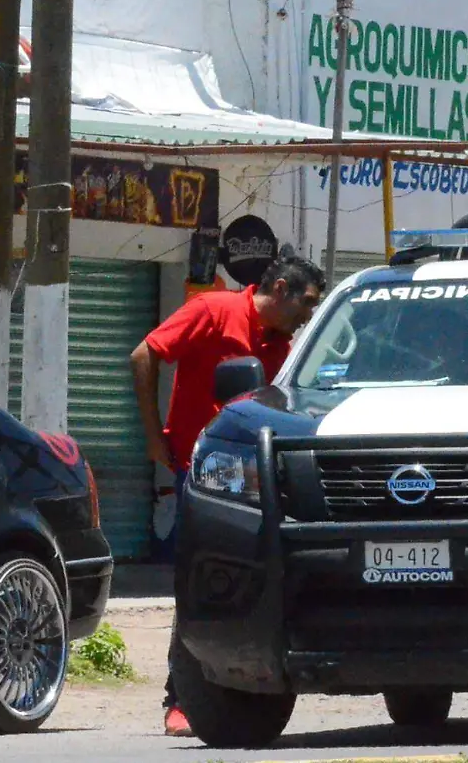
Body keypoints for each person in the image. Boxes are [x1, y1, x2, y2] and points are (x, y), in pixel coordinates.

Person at [130, 254, 326, 737]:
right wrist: (155, 436)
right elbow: (145, 354)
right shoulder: (214, 311)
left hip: (267, 483)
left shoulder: (287, 348)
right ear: (279, 289)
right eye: (306, 303)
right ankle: (181, 698)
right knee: (198, 584)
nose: (308, 316)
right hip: (208, 478)